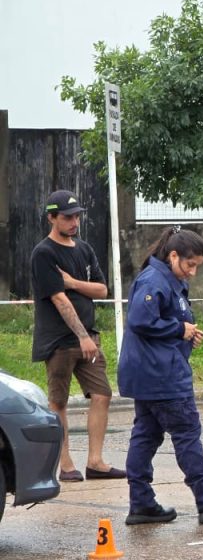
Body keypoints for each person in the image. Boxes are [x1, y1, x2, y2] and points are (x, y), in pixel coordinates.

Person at [119, 227, 203, 525]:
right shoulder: (155, 279)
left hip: (151, 372)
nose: (192, 272)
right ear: (173, 255)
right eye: (189, 265)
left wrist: (186, 334)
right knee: (186, 432)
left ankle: (141, 503)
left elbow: (162, 321)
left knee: (146, 435)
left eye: (197, 266)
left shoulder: (166, 278)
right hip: (161, 375)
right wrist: (179, 330)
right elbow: (141, 320)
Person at [30, 189, 125, 483]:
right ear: (51, 218)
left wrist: (73, 282)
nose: (74, 222)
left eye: (77, 217)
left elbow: (102, 289)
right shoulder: (43, 253)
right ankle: (65, 463)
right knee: (58, 402)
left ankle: (95, 462)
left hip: (89, 338)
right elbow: (60, 299)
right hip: (59, 341)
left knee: (102, 394)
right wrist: (81, 336)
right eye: (68, 217)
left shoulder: (84, 249)